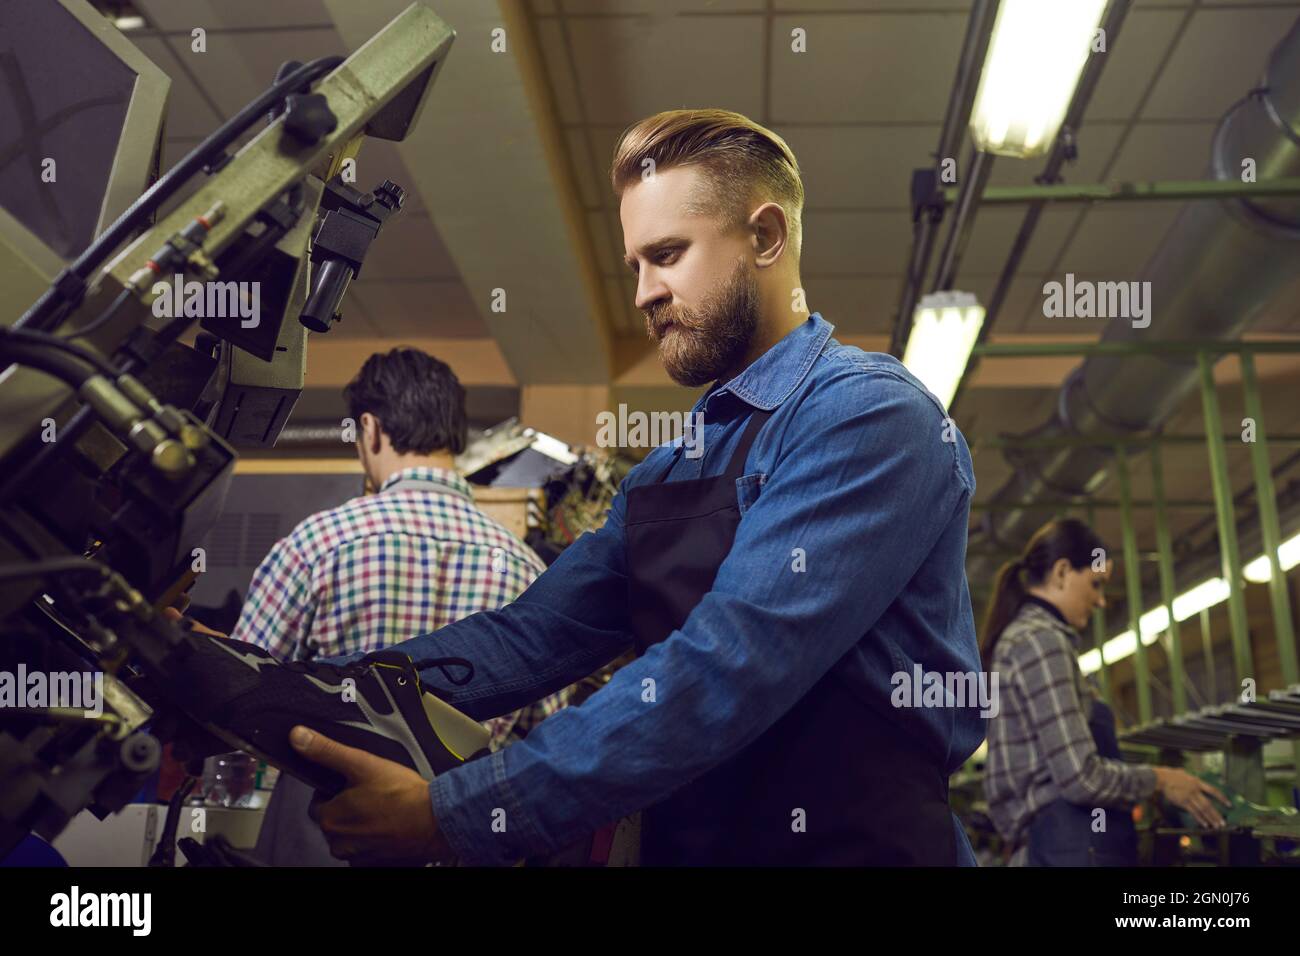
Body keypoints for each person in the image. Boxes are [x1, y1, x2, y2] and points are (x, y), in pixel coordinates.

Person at [207, 108, 988, 866]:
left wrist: (459, 816)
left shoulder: (868, 414)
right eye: (635, 266)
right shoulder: (669, 468)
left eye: (669, 254)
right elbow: (527, 638)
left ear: (765, 236)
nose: (644, 292)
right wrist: (279, 689)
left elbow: (733, 665)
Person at [177, 349, 570, 864]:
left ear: (371, 428)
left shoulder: (316, 544)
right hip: (454, 838)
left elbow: (242, 696)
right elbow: (545, 733)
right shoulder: (526, 569)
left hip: (323, 838)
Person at [981, 517, 1230, 866]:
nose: (1101, 601)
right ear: (1063, 572)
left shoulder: (1031, 640)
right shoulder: (1042, 642)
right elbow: (1081, 778)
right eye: (1096, 584)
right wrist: (1161, 779)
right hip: (1067, 847)